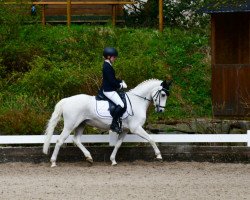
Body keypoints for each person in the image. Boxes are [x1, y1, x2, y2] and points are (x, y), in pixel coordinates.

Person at [101, 47, 127, 133]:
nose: (115, 59)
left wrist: (120, 81)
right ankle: (113, 124)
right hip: (109, 90)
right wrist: (120, 85)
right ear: (108, 57)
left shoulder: (108, 65)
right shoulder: (107, 66)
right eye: (114, 57)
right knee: (121, 105)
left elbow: (113, 78)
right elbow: (111, 81)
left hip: (110, 89)